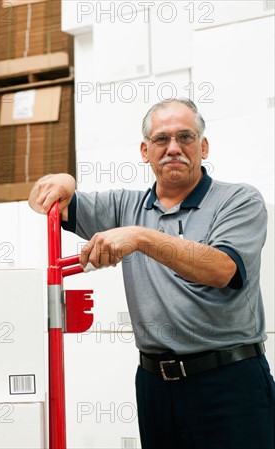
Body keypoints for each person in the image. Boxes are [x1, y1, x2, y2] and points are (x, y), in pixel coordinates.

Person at [29, 98, 274, 449]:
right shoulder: (125, 206)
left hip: (229, 383)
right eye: (161, 140)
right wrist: (63, 181)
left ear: (203, 147)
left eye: (185, 137)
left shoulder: (238, 200)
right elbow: (44, 202)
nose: (173, 148)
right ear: (145, 151)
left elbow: (222, 268)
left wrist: (140, 236)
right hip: (156, 386)